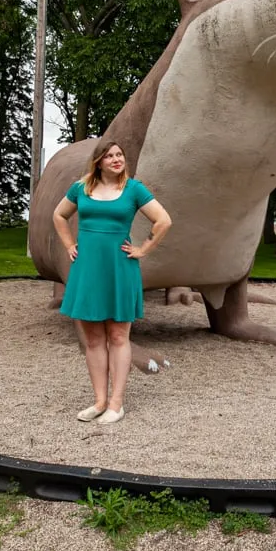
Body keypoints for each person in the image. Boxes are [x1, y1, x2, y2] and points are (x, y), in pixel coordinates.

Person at [52, 141, 171, 424]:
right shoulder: (81, 188)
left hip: (119, 268)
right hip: (87, 269)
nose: (116, 159)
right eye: (109, 156)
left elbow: (163, 220)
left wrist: (143, 249)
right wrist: (69, 243)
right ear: (98, 162)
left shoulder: (134, 189)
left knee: (118, 336)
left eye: (119, 155)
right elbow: (59, 215)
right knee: (93, 339)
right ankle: (99, 401)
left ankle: (116, 403)